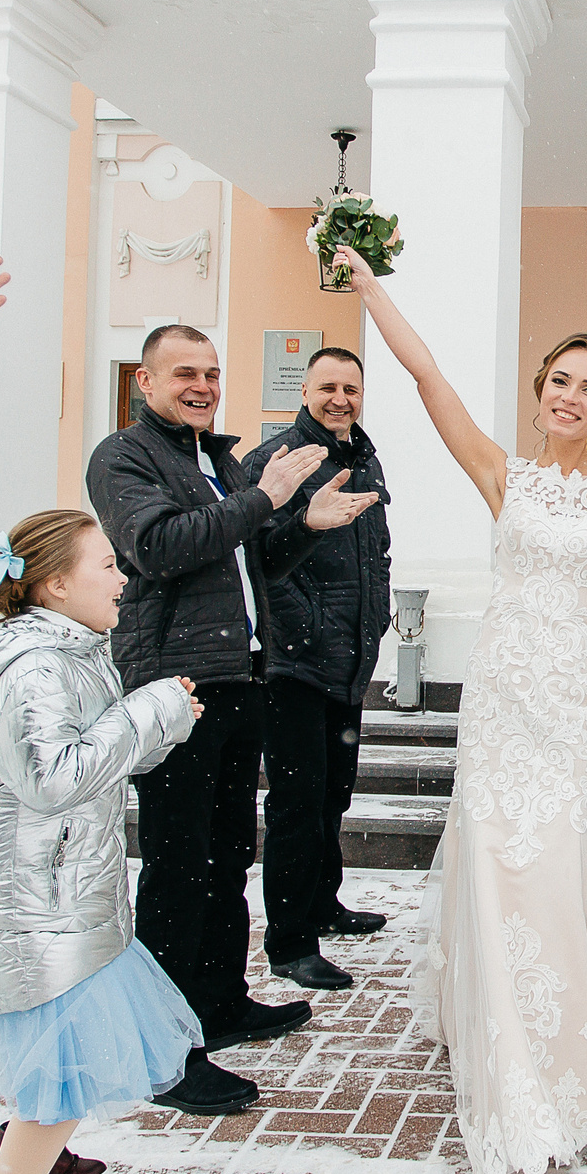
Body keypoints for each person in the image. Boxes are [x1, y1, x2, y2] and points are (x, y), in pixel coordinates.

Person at [326, 244, 587, 1174]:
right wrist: (374, 292)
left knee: (556, 860)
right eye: (560, 380)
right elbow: (428, 379)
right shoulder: (504, 474)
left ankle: (560, 1046)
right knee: (498, 860)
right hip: (504, 700)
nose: (571, 397)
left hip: (577, 702)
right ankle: (515, 1045)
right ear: (541, 387)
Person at [85, 325, 379, 1114]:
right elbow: (158, 546)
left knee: (223, 858)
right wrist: (265, 498)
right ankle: (166, 1046)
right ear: (144, 380)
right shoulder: (125, 457)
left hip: (238, 677)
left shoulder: (209, 460)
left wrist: (300, 527)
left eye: (212, 373)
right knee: (178, 869)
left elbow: (249, 559)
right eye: (185, 373)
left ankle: (218, 1003)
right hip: (175, 685)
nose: (202, 385)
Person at [0, 510, 209, 1174]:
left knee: (57, 1050)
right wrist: (151, 711)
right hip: (37, 903)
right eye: (107, 565)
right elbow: (55, 777)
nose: (123, 579)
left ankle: (32, 1147)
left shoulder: (69, 652)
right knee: (61, 1062)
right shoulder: (37, 667)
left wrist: (163, 724)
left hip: (60, 888)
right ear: (56, 583)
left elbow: (99, 757)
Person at [243, 346, 395, 994]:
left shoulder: (363, 456)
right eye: (328, 386)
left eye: (351, 387)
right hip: (293, 663)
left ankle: (322, 905)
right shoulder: (278, 461)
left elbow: (375, 550)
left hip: (348, 658)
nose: (341, 397)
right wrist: (302, 635)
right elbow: (263, 560)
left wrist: (375, 619)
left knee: (333, 792)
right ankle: (290, 940)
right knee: (298, 803)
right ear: (303, 390)